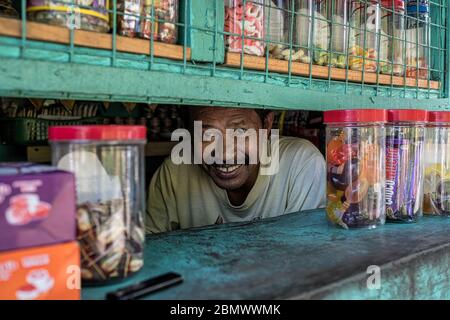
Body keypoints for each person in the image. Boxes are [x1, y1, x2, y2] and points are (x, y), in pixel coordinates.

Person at [146, 106, 326, 233]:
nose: (224, 154)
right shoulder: (174, 173)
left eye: (240, 131)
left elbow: (301, 260)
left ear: (266, 125)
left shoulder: (300, 163)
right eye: (207, 134)